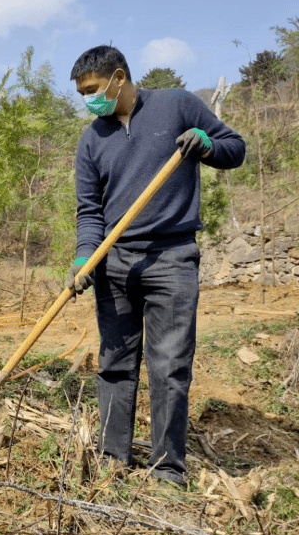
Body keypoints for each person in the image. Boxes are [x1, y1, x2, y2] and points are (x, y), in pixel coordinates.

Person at [67, 45, 246, 487]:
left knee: (168, 365)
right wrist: (83, 256)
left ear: (119, 78)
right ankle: (113, 460)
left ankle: (168, 469)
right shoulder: (92, 138)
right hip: (115, 263)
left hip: (172, 257)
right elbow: (90, 210)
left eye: (93, 90)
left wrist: (205, 144)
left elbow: (234, 148)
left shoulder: (177, 105)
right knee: (115, 362)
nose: (89, 99)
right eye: (83, 94)